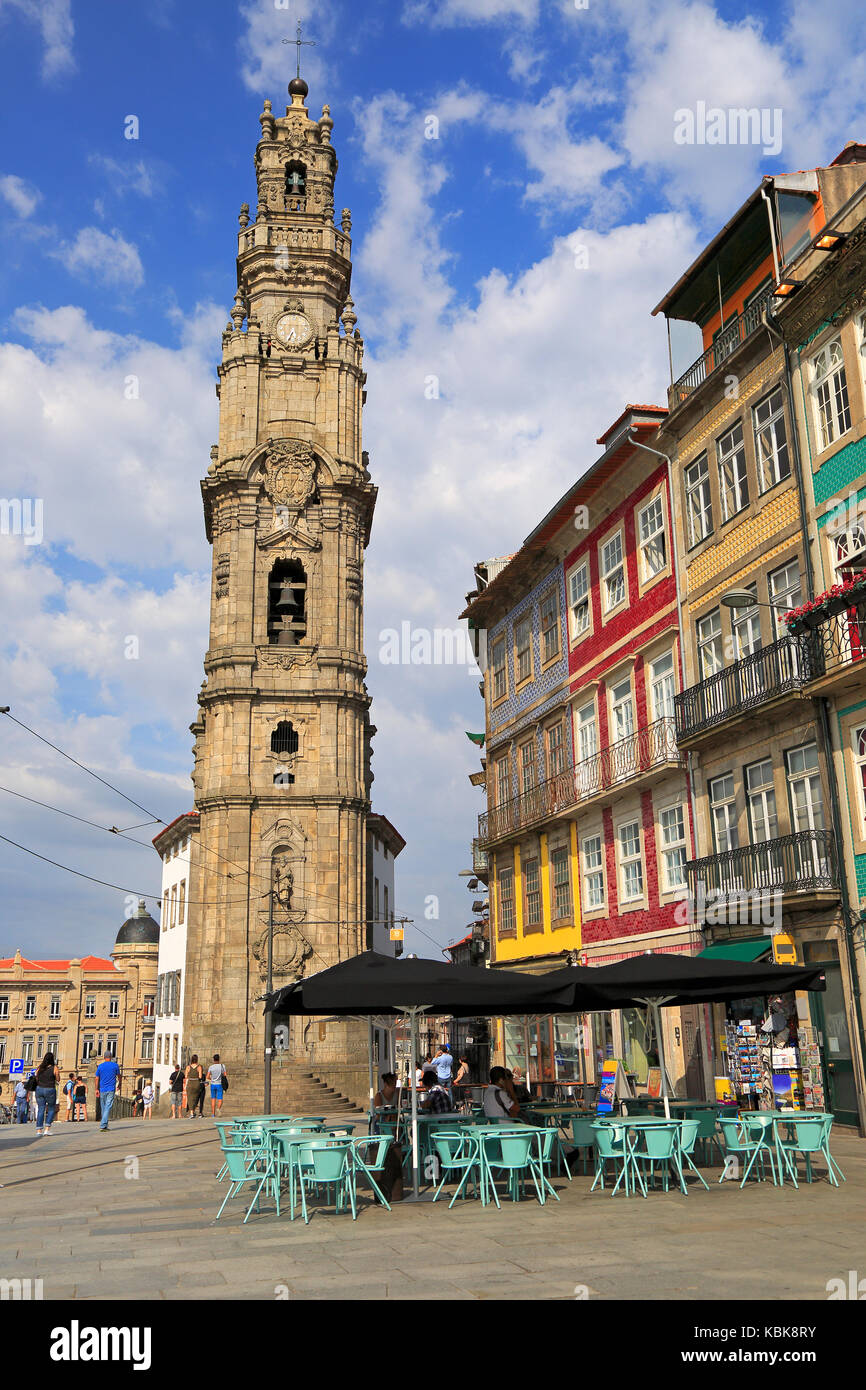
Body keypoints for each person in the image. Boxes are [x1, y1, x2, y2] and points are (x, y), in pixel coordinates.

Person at [34, 1051, 60, 1137]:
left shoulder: (39, 1068)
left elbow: (36, 1078)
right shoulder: (54, 1068)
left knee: (41, 1109)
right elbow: (58, 1079)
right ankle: (47, 1130)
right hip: (50, 1089)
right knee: (51, 1108)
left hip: (39, 1089)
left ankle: (38, 1130)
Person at [95, 1051, 121, 1132]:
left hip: (102, 1089)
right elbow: (119, 1076)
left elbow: (97, 1078)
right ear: (111, 1057)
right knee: (108, 1106)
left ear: (104, 1057)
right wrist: (119, 1084)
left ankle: (105, 1125)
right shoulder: (115, 1065)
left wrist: (96, 1089)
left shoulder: (100, 1066)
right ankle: (103, 1125)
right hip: (110, 1089)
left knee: (103, 1107)